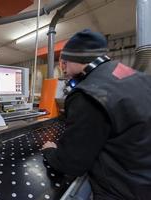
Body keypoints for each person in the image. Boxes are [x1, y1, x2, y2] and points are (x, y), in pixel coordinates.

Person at [41, 29, 151, 200]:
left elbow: (71, 163)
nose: (65, 70)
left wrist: (50, 151)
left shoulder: (87, 93)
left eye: (64, 63)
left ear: (74, 60)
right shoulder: (136, 75)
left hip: (124, 190)